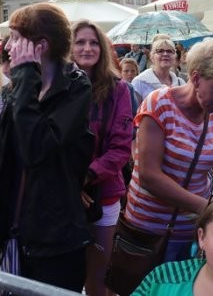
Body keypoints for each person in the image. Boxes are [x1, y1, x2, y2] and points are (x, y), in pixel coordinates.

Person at [0, 3, 94, 292]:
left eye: (15, 38)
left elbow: (37, 149)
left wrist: (26, 74)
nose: (7, 47)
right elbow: (0, 170)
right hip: (15, 236)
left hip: (55, 245)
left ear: (41, 45)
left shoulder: (76, 88)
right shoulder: (16, 91)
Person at [124, 38, 213, 264]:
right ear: (196, 78)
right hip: (148, 232)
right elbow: (149, 175)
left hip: (192, 234)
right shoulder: (159, 103)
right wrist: (206, 208)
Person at [71, 20, 133, 296]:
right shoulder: (55, 87)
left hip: (103, 194)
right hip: (62, 196)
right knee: (65, 277)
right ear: (69, 47)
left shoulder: (118, 89)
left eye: (93, 42)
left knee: (97, 279)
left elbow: (120, 148)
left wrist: (83, 178)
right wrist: (70, 184)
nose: (87, 48)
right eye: (80, 42)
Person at [131, 35, 186, 104]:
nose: (165, 54)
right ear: (152, 56)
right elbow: (134, 110)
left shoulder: (180, 83)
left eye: (169, 51)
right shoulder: (139, 82)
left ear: (175, 57)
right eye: (160, 51)